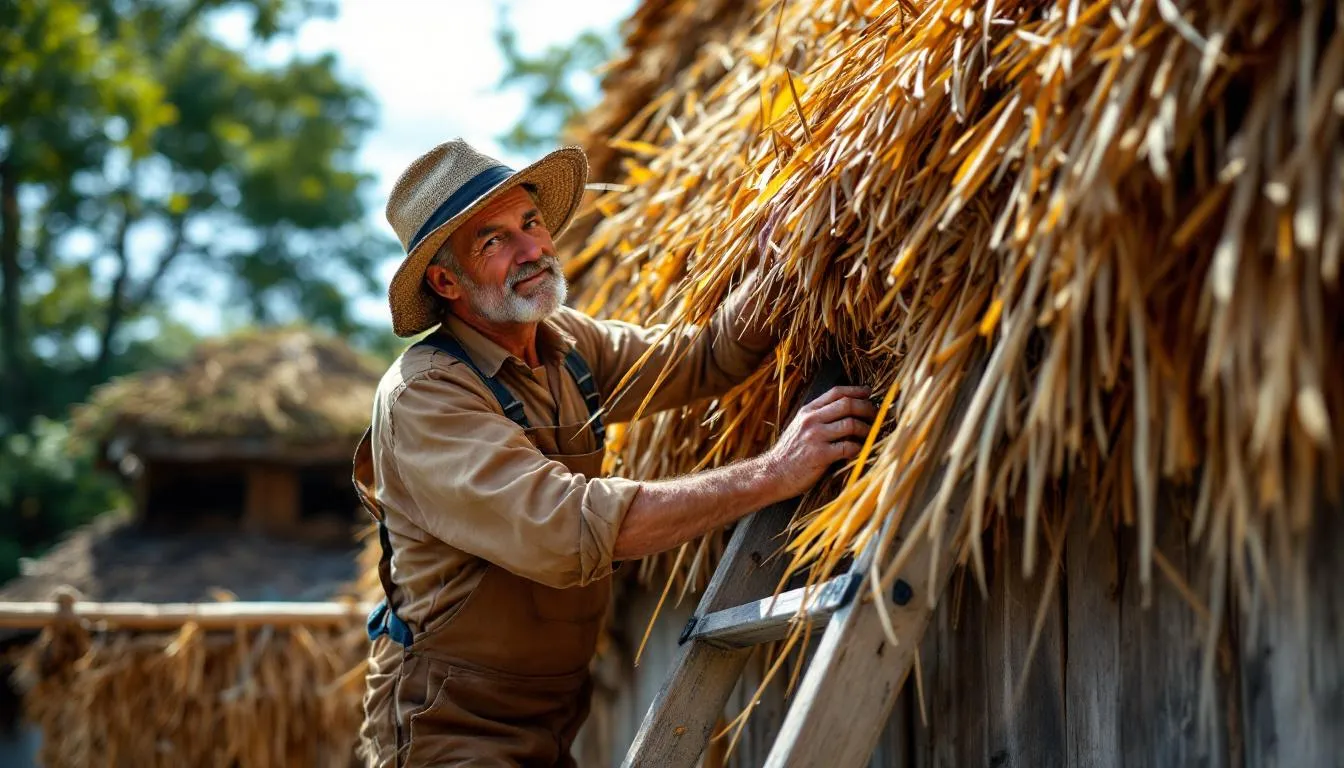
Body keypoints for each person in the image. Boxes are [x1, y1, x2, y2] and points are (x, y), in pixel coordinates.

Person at [354, 139, 874, 767]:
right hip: (450, 725)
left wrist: (781, 267)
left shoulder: (567, 344)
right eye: (493, 242)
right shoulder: (427, 396)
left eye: (531, 223)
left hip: (555, 716)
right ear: (444, 281)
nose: (532, 251)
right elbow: (575, 525)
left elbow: (704, 356)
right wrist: (776, 473)